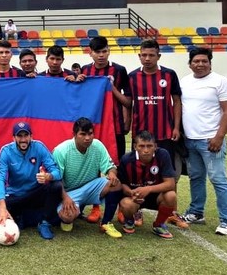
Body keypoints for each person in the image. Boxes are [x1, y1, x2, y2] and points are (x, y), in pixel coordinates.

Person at [124, 39, 185, 228]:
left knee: (169, 174)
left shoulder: (169, 74)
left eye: (151, 55)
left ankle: (171, 211)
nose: (147, 58)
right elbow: (128, 103)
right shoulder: (132, 77)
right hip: (140, 135)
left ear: (159, 56)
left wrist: (176, 127)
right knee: (136, 173)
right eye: (144, 55)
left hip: (164, 133)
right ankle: (137, 209)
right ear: (139, 56)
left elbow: (176, 101)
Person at [179, 48, 227, 235]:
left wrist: (219, 136)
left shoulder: (220, 81)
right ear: (190, 64)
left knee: (218, 179)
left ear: (210, 63)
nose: (200, 64)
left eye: (204, 61)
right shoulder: (184, 82)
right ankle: (196, 212)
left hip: (210, 140)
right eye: (196, 61)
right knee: (196, 177)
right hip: (191, 140)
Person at [80, 36, 130, 223]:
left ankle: (119, 208)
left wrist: (112, 88)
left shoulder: (119, 70)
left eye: (104, 51)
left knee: (116, 168)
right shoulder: (85, 70)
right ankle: (95, 208)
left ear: (108, 51)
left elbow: (127, 101)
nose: (101, 55)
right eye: (97, 52)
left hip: (114, 128)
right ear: (90, 53)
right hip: (91, 128)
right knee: (92, 168)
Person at [52, 117, 123, 238]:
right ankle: (72, 214)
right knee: (67, 217)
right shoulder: (61, 150)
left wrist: (112, 173)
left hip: (90, 187)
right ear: (74, 134)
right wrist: (65, 198)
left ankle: (106, 223)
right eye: (83, 134)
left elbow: (110, 166)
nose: (87, 138)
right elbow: (55, 181)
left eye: (90, 134)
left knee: (115, 184)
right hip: (69, 193)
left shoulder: (98, 145)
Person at [0, 122, 63, 240]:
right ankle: (20, 216)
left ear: (31, 136)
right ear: (14, 138)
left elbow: (57, 172)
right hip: (16, 194)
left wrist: (48, 176)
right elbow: (0, 178)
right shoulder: (6, 151)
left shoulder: (39, 147)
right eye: (19, 136)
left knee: (56, 186)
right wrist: (2, 206)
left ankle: (44, 223)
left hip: (35, 192)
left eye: (26, 135)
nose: (23, 139)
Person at [118, 131, 177, 239]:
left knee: (171, 195)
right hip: (135, 197)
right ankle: (130, 220)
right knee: (126, 204)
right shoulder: (126, 160)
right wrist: (131, 193)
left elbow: (170, 184)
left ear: (155, 146)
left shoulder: (162, 155)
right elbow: (122, 185)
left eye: (149, 146)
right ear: (135, 146)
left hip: (156, 196)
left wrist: (148, 189)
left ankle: (159, 225)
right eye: (142, 146)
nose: (145, 150)